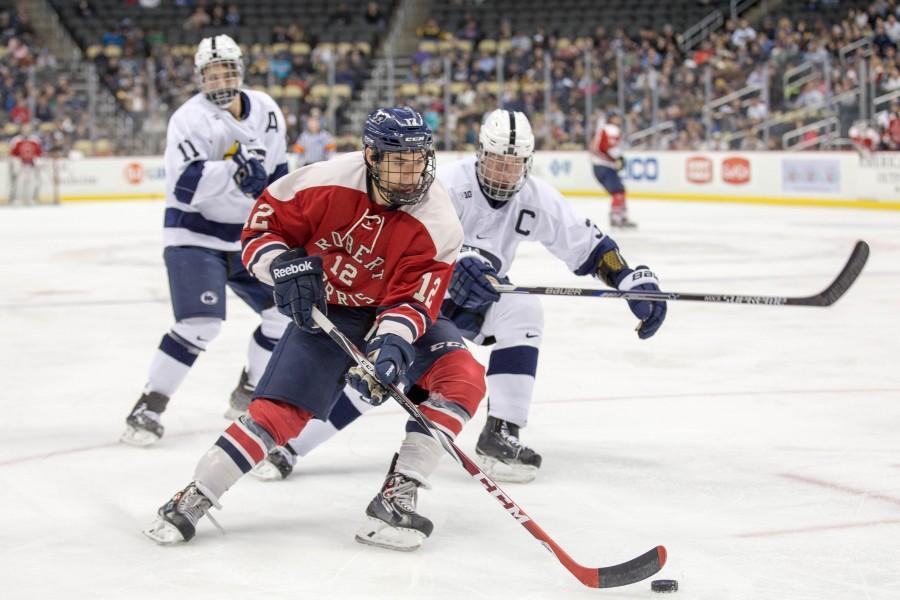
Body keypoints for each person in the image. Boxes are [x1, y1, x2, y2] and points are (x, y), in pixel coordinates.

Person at [254, 109, 667, 484]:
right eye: (496, 162)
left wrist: (629, 278)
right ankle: (290, 446)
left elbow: (588, 246)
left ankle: (501, 432)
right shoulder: (445, 184)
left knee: (523, 310)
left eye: (514, 165)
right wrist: (462, 258)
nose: (504, 174)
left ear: (527, 163)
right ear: (479, 155)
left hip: (473, 301)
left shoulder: (536, 198)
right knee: (379, 378)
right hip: (409, 296)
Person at [144, 107, 487, 552]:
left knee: (462, 379)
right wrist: (281, 267)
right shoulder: (323, 181)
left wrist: (391, 344)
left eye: (419, 161)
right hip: (331, 309)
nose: (411, 174)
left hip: (395, 311)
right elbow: (261, 230)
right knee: (278, 413)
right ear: (371, 155)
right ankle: (196, 494)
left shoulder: (439, 220)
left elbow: (414, 299)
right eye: (399, 161)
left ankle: (397, 493)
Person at [121, 34, 290, 446]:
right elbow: (184, 186)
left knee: (284, 314)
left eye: (226, 71)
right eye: (211, 74)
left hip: (250, 235)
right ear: (201, 77)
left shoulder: (267, 110)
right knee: (201, 324)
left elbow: (281, 173)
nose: (220, 80)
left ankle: (248, 391)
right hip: (195, 234)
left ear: (240, 70)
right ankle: (150, 404)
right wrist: (231, 171)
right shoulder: (188, 119)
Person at [589, 113, 636, 228]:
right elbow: (609, 146)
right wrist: (619, 158)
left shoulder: (603, 129)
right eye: (616, 117)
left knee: (620, 190)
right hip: (605, 165)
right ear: (612, 119)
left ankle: (622, 216)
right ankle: (617, 217)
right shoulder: (611, 129)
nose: (619, 119)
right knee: (618, 191)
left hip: (599, 165)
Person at [8, 123, 43, 205]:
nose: (26, 130)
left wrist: (37, 161)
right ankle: (17, 199)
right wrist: (15, 163)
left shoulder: (35, 140)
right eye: (24, 128)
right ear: (21, 129)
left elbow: (38, 153)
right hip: (20, 165)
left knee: (33, 182)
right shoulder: (16, 140)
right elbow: (12, 153)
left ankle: (31, 199)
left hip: (31, 165)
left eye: (28, 128)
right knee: (19, 183)